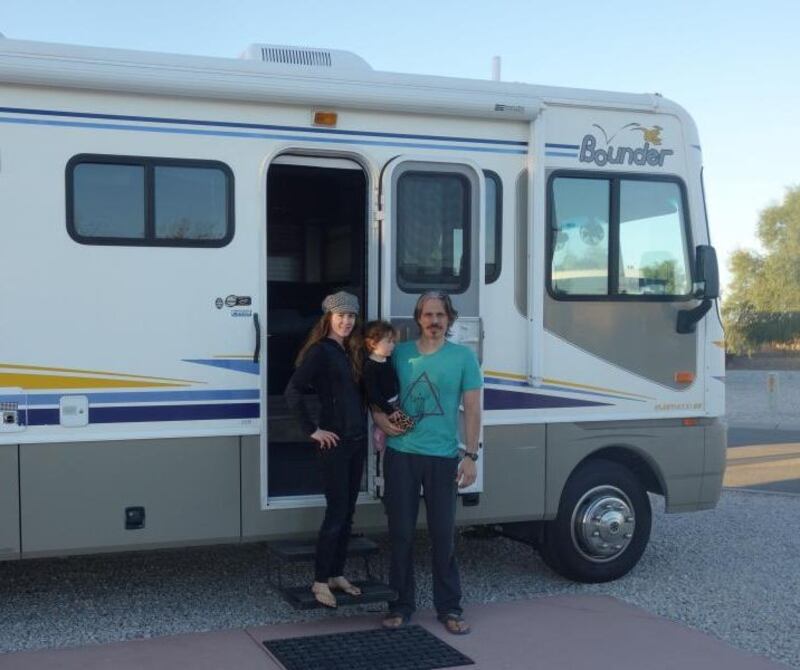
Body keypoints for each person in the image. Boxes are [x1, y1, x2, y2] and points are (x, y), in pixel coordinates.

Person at [374, 291, 482, 635]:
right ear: (417, 319)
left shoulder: (464, 357)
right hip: (401, 455)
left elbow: (473, 409)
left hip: (443, 458)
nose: (434, 321)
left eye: (440, 315)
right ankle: (400, 605)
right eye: (427, 315)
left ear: (450, 319)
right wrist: (378, 418)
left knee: (443, 536)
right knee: (401, 534)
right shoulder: (400, 354)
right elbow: (375, 391)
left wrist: (471, 455)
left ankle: (449, 607)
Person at [284, 290, 366, 608]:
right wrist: (313, 430)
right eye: (340, 315)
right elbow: (292, 391)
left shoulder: (352, 351)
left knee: (348, 512)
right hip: (335, 443)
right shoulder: (321, 351)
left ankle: (336, 573)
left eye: (351, 316)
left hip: (357, 441)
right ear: (329, 318)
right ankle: (319, 580)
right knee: (336, 512)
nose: (346, 321)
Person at [362, 320, 414, 452]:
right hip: (384, 406)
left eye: (393, 342)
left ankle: (384, 433)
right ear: (373, 344)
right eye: (389, 342)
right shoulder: (370, 366)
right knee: (407, 425)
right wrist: (389, 410)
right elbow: (373, 393)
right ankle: (379, 433)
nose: (393, 345)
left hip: (394, 402)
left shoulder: (388, 359)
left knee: (406, 426)